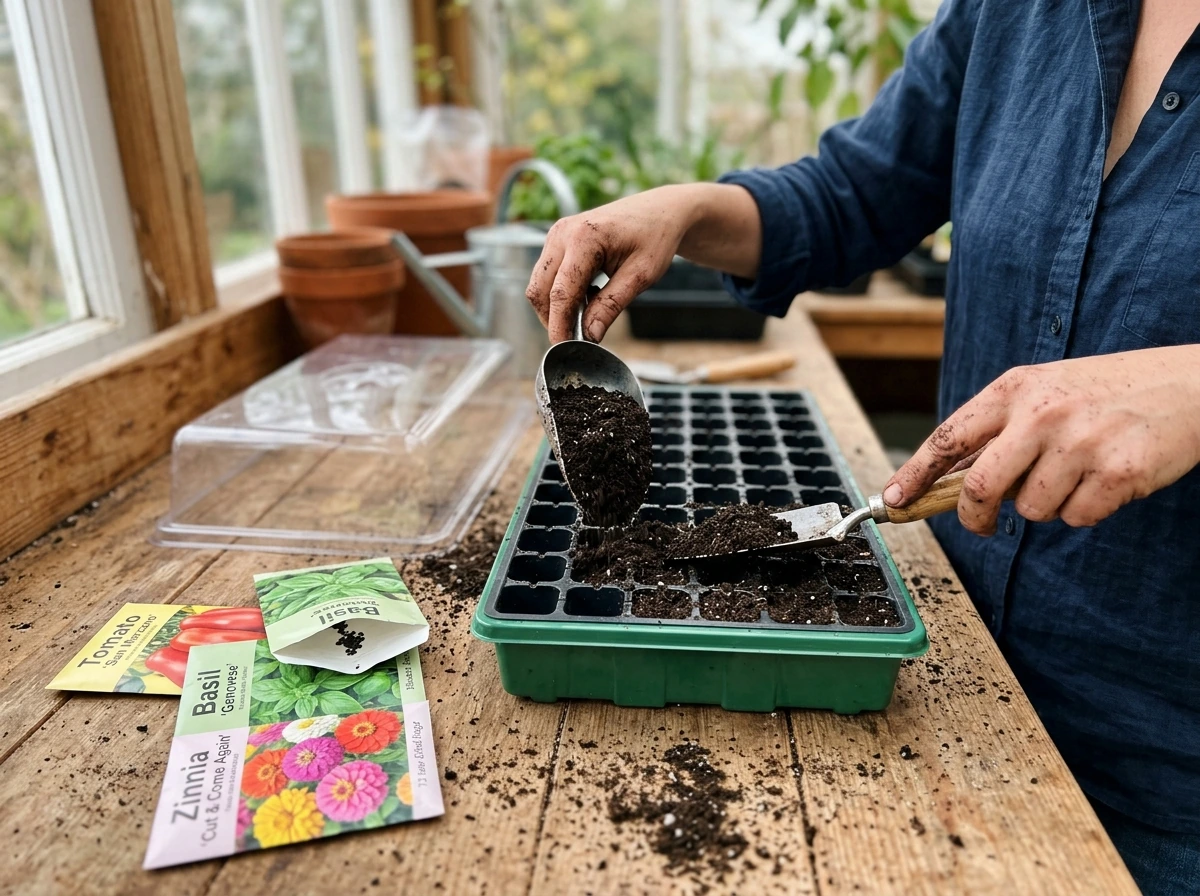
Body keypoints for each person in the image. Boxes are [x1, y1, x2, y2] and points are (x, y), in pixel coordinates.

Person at [523, 1, 1200, 892]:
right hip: (948, 683)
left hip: (1167, 783)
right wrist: (688, 211)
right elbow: (851, 195)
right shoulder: (1019, 15)